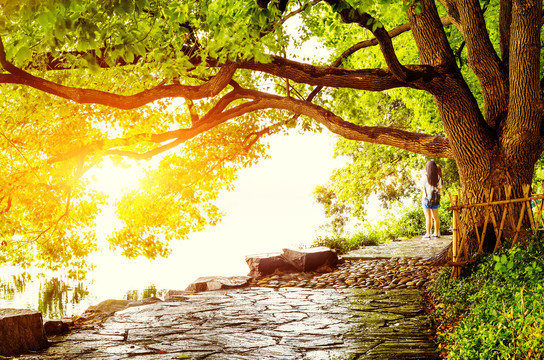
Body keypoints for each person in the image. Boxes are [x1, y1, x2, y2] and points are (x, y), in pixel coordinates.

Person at [419, 160, 442, 240]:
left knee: (428, 217)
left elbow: (421, 187)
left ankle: (428, 234)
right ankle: (436, 233)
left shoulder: (424, 177)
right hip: (435, 199)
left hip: (426, 199)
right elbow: (439, 189)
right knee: (436, 217)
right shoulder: (438, 177)